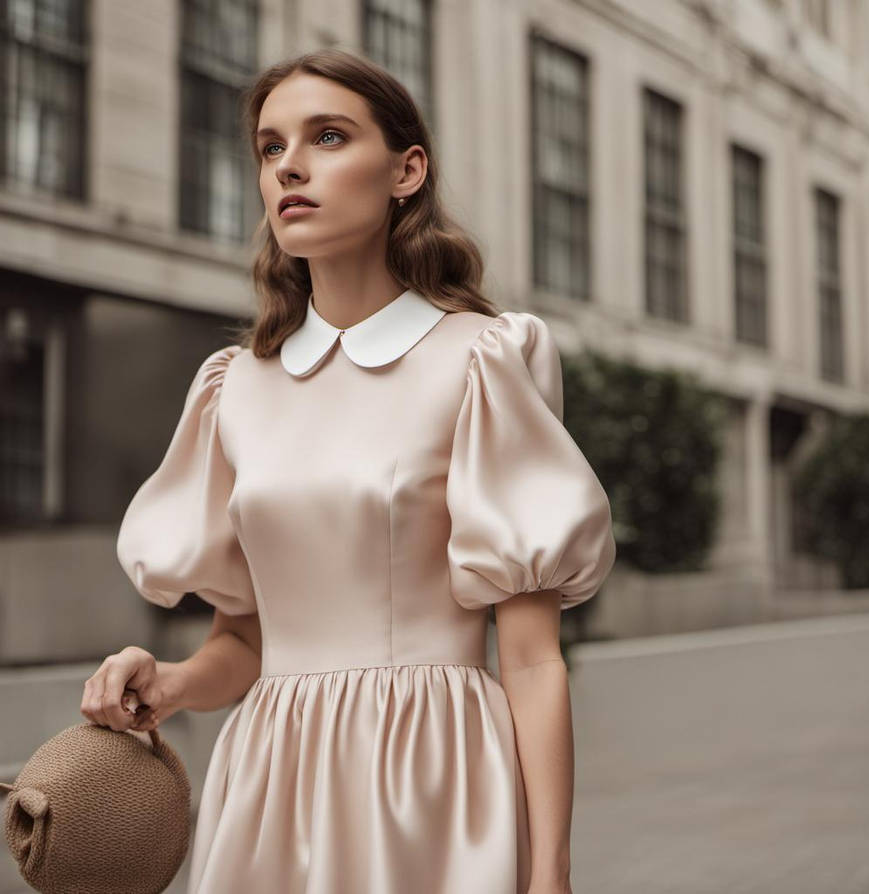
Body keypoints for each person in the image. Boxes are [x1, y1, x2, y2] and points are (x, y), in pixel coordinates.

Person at [81, 48, 616, 894]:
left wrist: (549, 870)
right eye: (270, 147)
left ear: (407, 170)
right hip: (270, 781)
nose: (290, 164)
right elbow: (247, 641)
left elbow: (532, 660)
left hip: (435, 776)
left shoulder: (482, 360)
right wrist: (173, 683)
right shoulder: (234, 388)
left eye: (327, 137)